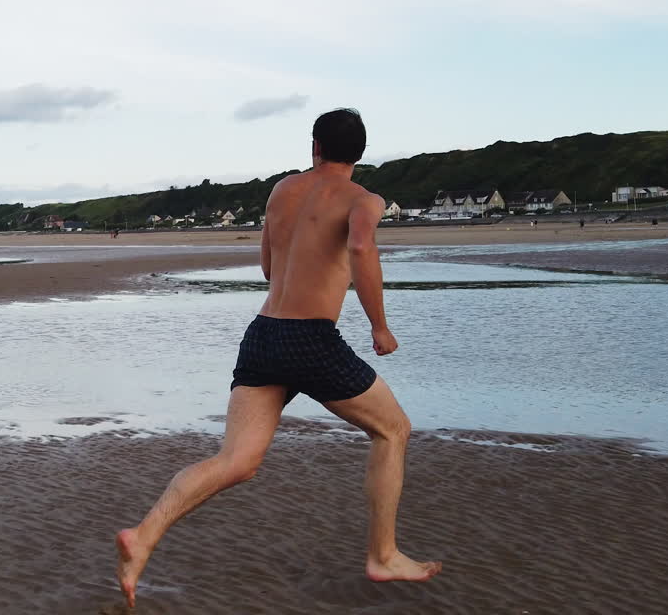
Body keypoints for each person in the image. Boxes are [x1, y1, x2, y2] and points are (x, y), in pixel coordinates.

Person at [114, 108, 441, 608]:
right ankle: (383, 555)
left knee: (236, 461)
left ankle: (144, 535)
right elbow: (359, 247)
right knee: (392, 429)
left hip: (263, 334)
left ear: (314, 146)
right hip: (311, 339)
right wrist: (379, 324)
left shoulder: (282, 191)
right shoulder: (365, 200)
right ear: (360, 152)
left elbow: (269, 267)